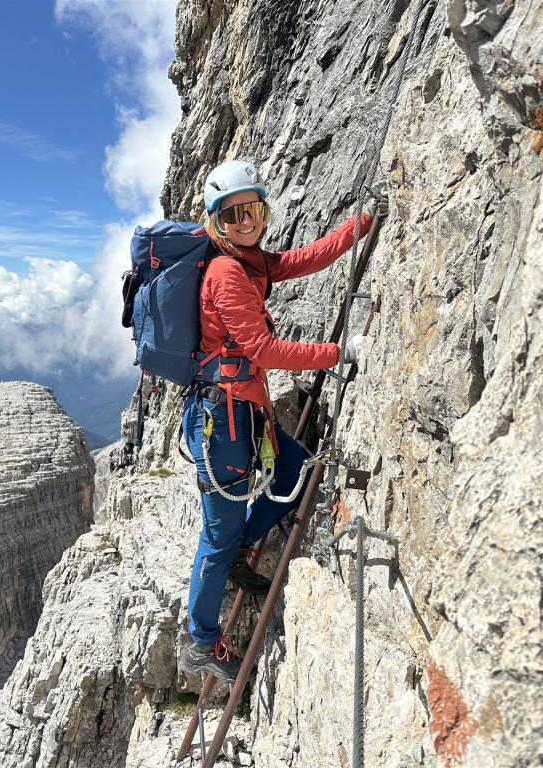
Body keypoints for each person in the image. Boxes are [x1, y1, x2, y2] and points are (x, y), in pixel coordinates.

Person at [178, 160, 388, 682]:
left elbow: (305, 258)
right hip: (221, 422)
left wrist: (360, 224)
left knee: (294, 470)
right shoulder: (227, 273)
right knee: (217, 535)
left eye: (252, 208)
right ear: (216, 221)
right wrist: (338, 352)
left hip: (243, 410)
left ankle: (239, 552)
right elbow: (263, 349)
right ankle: (200, 642)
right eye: (233, 214)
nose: (246, 220)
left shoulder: (250, 261)